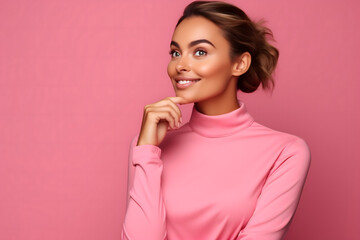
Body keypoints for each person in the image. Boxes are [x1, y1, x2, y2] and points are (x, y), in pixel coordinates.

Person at [121, 1, 311, 239]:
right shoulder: (146, 146)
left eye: (200, 52)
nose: (180, 65)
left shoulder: (285, 152)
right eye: (175, 53)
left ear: (240, 63)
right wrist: (147, 150)